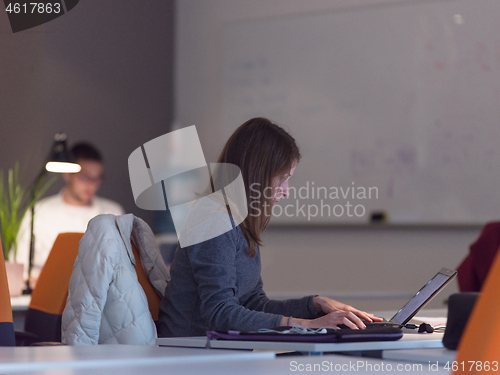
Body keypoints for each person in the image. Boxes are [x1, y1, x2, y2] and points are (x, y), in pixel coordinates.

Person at [157, 117, 382, 337]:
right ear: (257, 172)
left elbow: (253, 303)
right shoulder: (213, 220)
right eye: (282, 178)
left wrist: (314, 305)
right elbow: (220, 313)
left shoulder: (239, 221)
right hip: (189, 352)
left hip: (217, 352)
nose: (286, 190)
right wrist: (305, 324)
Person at [15, 142, 124, 285]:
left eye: (96, 178)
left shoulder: (113, 213)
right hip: (50, 295)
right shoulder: (39, 213)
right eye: (85, 177)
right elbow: (19, 266)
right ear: (67, 173)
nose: (91, 185)